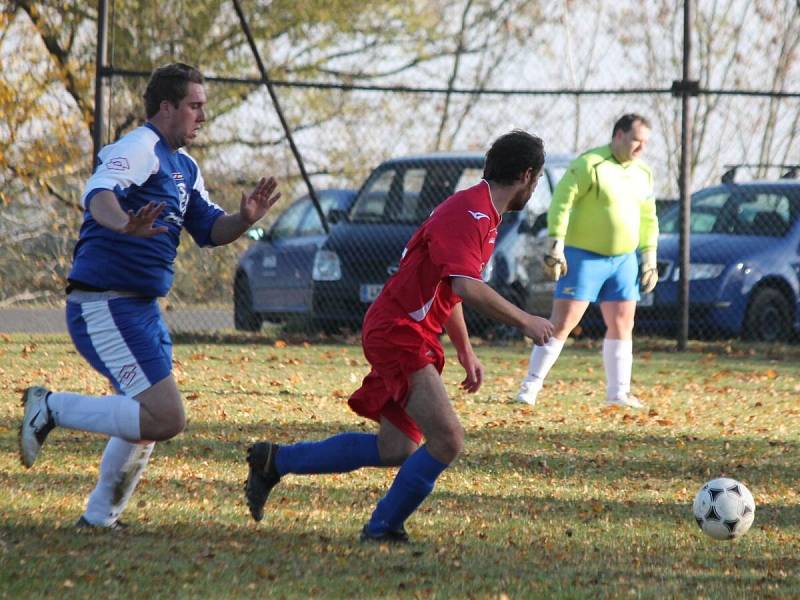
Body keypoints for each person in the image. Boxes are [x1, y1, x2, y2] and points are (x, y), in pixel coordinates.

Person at [244, 130, 555, 543]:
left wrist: (465, 350)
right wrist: (525, 320)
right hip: (399, 332)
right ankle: (383, 527)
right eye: (536, 182)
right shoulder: (472, 213)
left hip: (408, 330)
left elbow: (450, 286)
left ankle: (275, 461)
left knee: (397, 448)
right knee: (447, 439)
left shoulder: (483, 212)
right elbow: (464, 286)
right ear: (527, 175)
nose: (534, 189)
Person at [18, 62, 281, 529]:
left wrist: (245, 219)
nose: (202, 116)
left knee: (144, 418)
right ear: (167, 107)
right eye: (195, 106)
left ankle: (100, 518)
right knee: (164, 417)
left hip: (140, 308)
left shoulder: (185, 166)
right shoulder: (138, 148)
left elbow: (209, 229)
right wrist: (124, 222)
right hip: (105, 305)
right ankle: (49, 406)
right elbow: (99, 194)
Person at [515, 113, 658, 408]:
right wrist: (555, 243)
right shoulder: (589, 164)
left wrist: (649, 257)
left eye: (645, 143)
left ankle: (618, 393)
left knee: (623, 323)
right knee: (563, 322)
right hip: (584, 258)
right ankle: (530, 387)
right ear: (618, 135)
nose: (640, 148)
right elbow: (561, 203)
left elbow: (649, 217)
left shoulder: (643, 172)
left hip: (624, 261)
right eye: (636, 140)